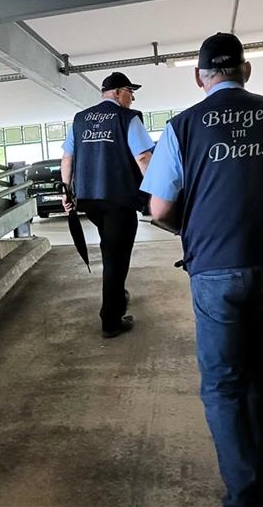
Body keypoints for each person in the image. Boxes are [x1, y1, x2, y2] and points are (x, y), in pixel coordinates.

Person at [140, 33, 263, 507]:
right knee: (255, 365)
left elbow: (160, 209)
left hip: (214, 267)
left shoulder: (182, 126)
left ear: (199, 77)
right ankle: (253, 464)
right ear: (246, 71)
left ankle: (245, 494)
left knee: (223, 380)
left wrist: (202, 229)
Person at [61, 71, 155, 338]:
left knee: (110, 248)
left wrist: (66, 191)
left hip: (90, 202)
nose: (133, 97)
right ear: (117, 92)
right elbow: (144, 158)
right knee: (116, 257)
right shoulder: (127, 118)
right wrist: (159, 193)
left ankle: (118, 294)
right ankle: (111, 319)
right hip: (119, 200)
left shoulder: (80, 119)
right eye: (129, 91)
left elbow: (67, 158)